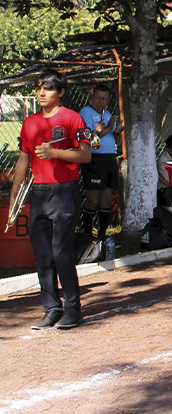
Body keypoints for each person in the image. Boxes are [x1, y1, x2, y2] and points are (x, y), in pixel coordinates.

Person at [11, 69, 92, 330]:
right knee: (43, 254)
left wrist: (54, 152)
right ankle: (51, 308)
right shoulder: (30, 122)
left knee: (61, 253)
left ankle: (72, 308)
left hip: (64, 191)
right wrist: (15, 190)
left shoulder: (73, 118)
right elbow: (24, 158)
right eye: (39, 88)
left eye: (48, 88)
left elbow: (85, 156)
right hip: (40, 193)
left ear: (61, 92)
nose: (42, 92)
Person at [78, 85, 123, 250]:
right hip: (95, 159)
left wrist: (116, 131)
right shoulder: (86, 112)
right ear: (92, 97)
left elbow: (110, 136)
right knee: (93, 198)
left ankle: (103, 237)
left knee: (106, 199)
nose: (101, 102)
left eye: (104, 99)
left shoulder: (108, 114)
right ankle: (87, 236)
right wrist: (108, 128)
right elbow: (89, 136)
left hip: (110, 159)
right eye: (98, 98)